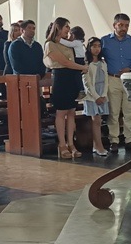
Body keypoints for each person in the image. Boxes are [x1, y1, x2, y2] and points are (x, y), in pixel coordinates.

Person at [101, 13, 131, 153]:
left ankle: (130, 139)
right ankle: (114, 140)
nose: (123, 28)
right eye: (120, 25)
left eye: (126, 25)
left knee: (129, 111)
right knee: (113, 112)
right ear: (114, 25)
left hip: (129, 79)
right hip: (112, 78)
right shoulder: (105, 41)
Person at [44, 17, 88, 159]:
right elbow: (64, 62)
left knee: (71, 112)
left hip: (72, 77)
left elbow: (75, 58)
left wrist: (81, 65)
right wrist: (82, 67)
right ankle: (62, 144)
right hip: (61, 78)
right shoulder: (50, 44)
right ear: (58, 27)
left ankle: (71, 143)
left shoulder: (68, 43)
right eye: (66, 27)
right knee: (61, 112)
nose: (68, 30)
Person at [82, 37, 109, 156]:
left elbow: (106, 79)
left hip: (102, 93)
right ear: (89, 47)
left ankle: (96, 145)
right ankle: (99, 146)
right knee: (96, 120)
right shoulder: (86, 63)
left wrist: (103, 94)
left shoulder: (103, 62)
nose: (97, 49)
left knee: (99, 120)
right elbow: (87, 82)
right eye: (94, 46)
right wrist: (96, 96)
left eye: (99, 46)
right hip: (92, 95)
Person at [60, 26, 86, 98]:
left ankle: (81, 90)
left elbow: (68, 44)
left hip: (79, 60)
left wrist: (59, 39)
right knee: (77, 76)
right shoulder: (80, 42)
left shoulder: (76, 42)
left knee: (77, 76)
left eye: (70, 34)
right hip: (79, 59)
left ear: (73, 35)